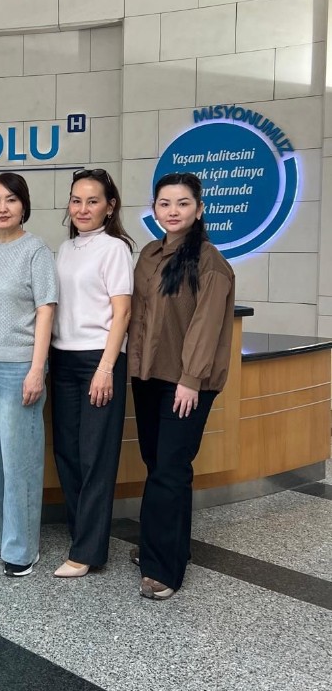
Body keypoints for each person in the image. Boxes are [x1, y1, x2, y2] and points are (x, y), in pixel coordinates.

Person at [128, 172, 235, 600]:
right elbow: (139, 317)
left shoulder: (210, 261)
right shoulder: (149, 254)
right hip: (149, 376)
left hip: (187, 383)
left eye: (183, 203)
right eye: (165, 203)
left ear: (199, 209)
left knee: (170, 469)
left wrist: (190, 380)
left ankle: (163, 570)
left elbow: (206, 326)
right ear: (155, 209)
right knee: (158, 464)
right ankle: (168, 545)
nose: (173, 211)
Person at [0, 173, 57, 577]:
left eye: (11, 200)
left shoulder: (36, 250)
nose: (2, 208)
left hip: (20, 366)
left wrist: (37, 368)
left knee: (19, 462)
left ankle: (21, 548)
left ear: (24, 206)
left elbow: (46, 310)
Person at [50, 168, 134, 578]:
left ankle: (87, 552)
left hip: (98, 361)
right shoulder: (65, 248)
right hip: (62, 359)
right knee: (67, 453)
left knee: (95, 456)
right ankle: (81, 533)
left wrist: (106, 368)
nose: (82, 209)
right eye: (76, 200)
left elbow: (123, 313)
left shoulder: (114, 249)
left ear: (109, 206)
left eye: (93, 201)